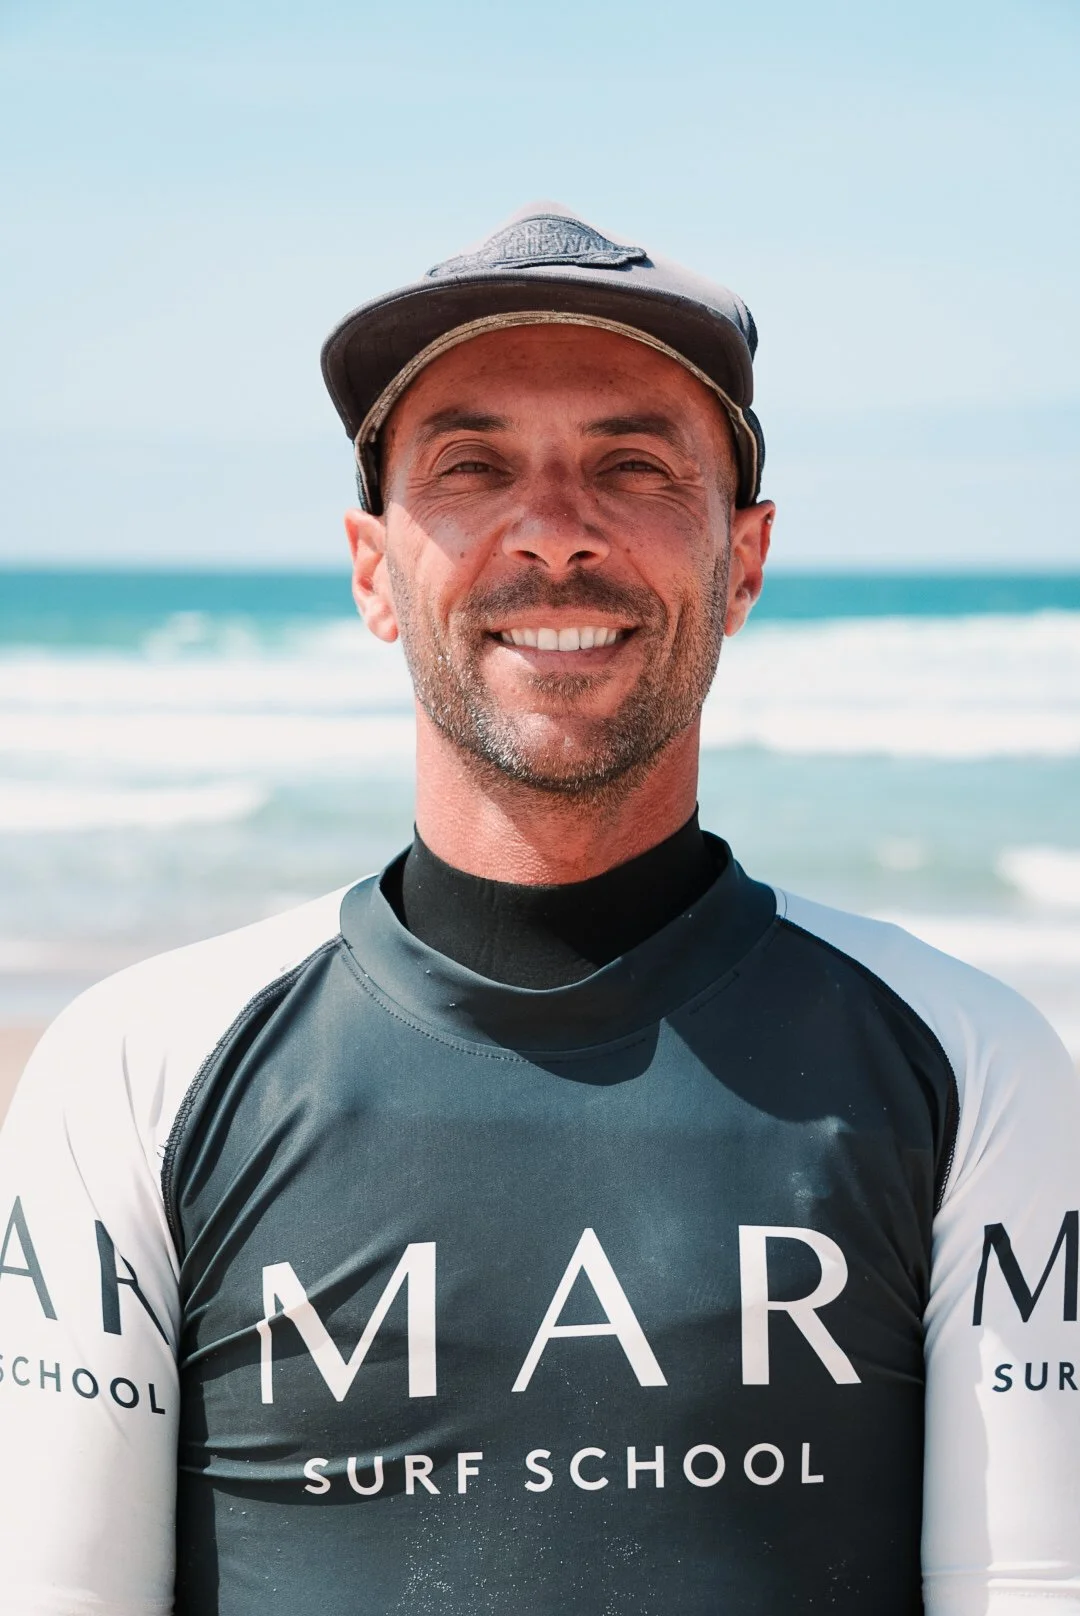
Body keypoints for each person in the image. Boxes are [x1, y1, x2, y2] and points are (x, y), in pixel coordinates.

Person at [0, 202, 1077, 1616]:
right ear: (375, 567)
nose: (554, 533)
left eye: (633, 465)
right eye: (472, 465)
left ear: (741, 561)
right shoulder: (139, 1070)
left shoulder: (969, 1063)